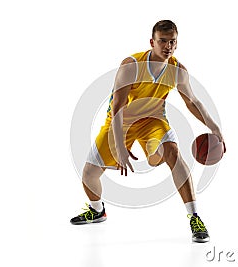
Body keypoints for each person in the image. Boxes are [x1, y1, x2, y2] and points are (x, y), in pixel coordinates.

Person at [70, 20, 225, 243]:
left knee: (173, 153)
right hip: (121, 121)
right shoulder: (131, 65)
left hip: (153, 121)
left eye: (172, 42)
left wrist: (214, 127)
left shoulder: (178, 71)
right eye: (162, 41)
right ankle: (97, 211)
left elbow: (192, 101)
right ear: (152, 42)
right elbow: (117, 108)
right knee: (89, 175)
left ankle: (194, 217)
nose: (168, 46)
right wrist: (120, 147)